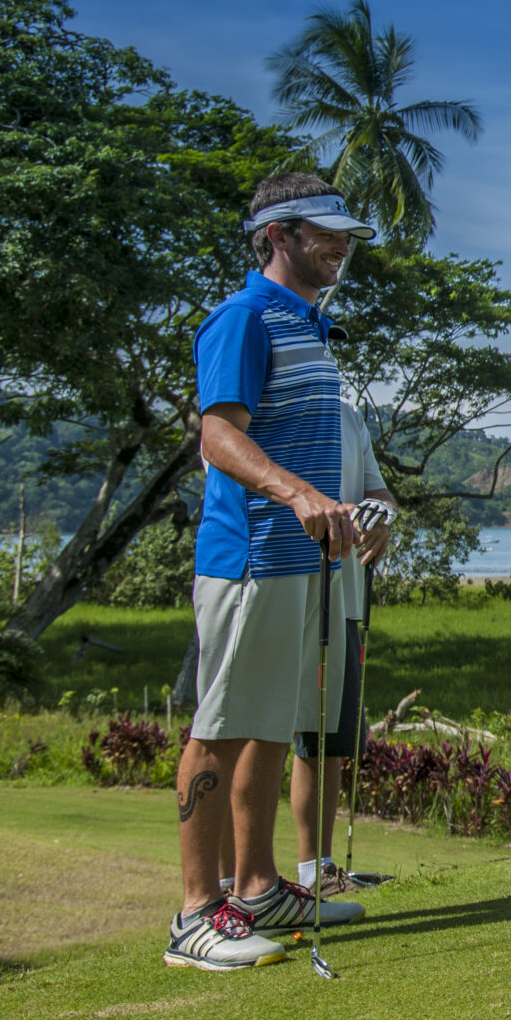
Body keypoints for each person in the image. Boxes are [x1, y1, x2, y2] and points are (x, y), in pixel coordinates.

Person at [165, 174, 386, 970]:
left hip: (301, 566)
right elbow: (219, 436)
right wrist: (296, 492)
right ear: (280, 234)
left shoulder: (311, 328)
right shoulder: (243, 317)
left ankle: (256, 885)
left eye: (347, 234)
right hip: (250, 557)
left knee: (265, 722)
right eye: (328, 233)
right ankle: (194, 913)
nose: (344, 245)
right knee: (220, 727)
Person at [289, 393, 396, 894]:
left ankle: (320, 869)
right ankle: (244, 881)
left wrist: (381, 522)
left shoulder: (352, 418)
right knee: (291, 736)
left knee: (330, 739)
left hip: (347, 597)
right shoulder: (282, 406)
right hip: (294, 591)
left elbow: (380, 494)